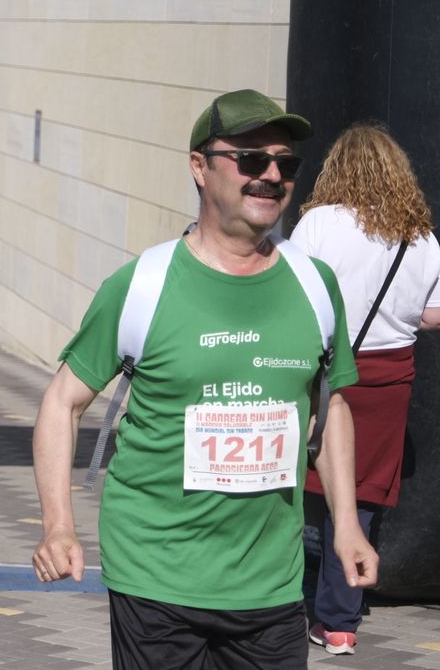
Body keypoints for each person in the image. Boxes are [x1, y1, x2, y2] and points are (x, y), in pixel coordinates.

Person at [31, 89, 377, 669]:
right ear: (199, 166)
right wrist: (59, 526)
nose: (271, 175)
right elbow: (62, 402)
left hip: (271, 584)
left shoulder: (316, 284)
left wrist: (346, 525)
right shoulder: (143, 283)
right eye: (250, 160)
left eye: (285, 164)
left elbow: (330, 409)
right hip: (156, 577)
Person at [290, 122, 440, 656]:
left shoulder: (319, 222)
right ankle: (340, 622)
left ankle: (293, 604)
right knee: (364, 495)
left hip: (325, 368)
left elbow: (294, 291)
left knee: (307, 486)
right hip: (390, 377)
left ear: (339, 168)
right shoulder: (421, 236)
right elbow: (433, 314)